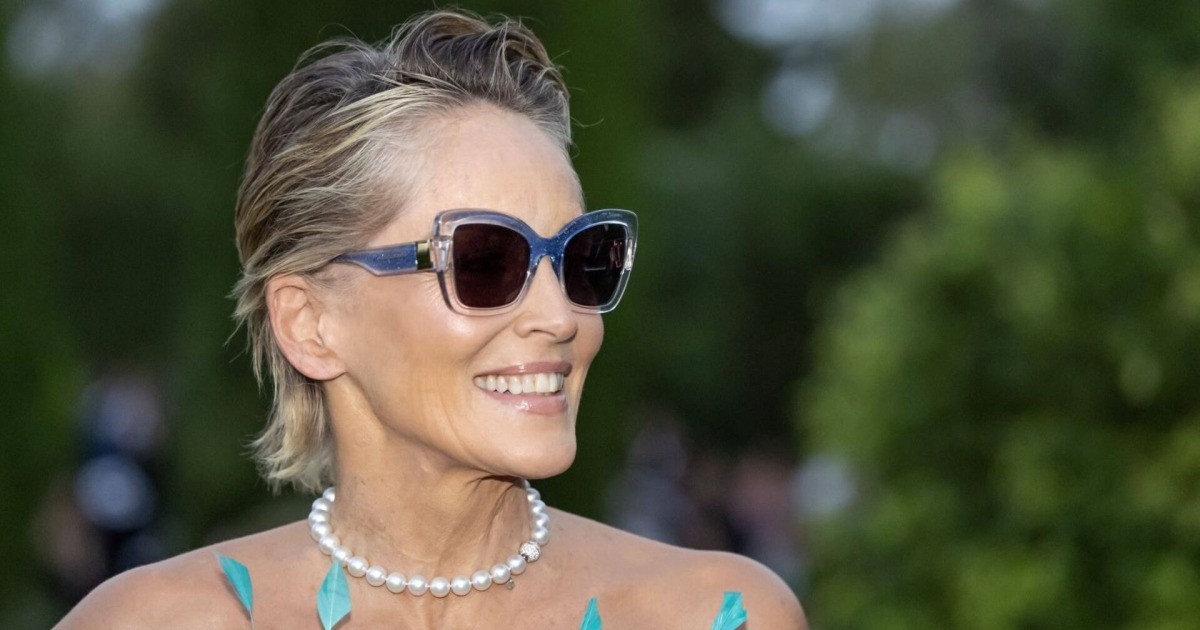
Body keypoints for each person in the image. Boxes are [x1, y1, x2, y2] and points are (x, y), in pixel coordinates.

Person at [57, 10, 807, 628]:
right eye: (486, 260)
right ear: (310, 322)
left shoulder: (718, 614)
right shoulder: (153, 621)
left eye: (585, 257)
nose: (561, 316)